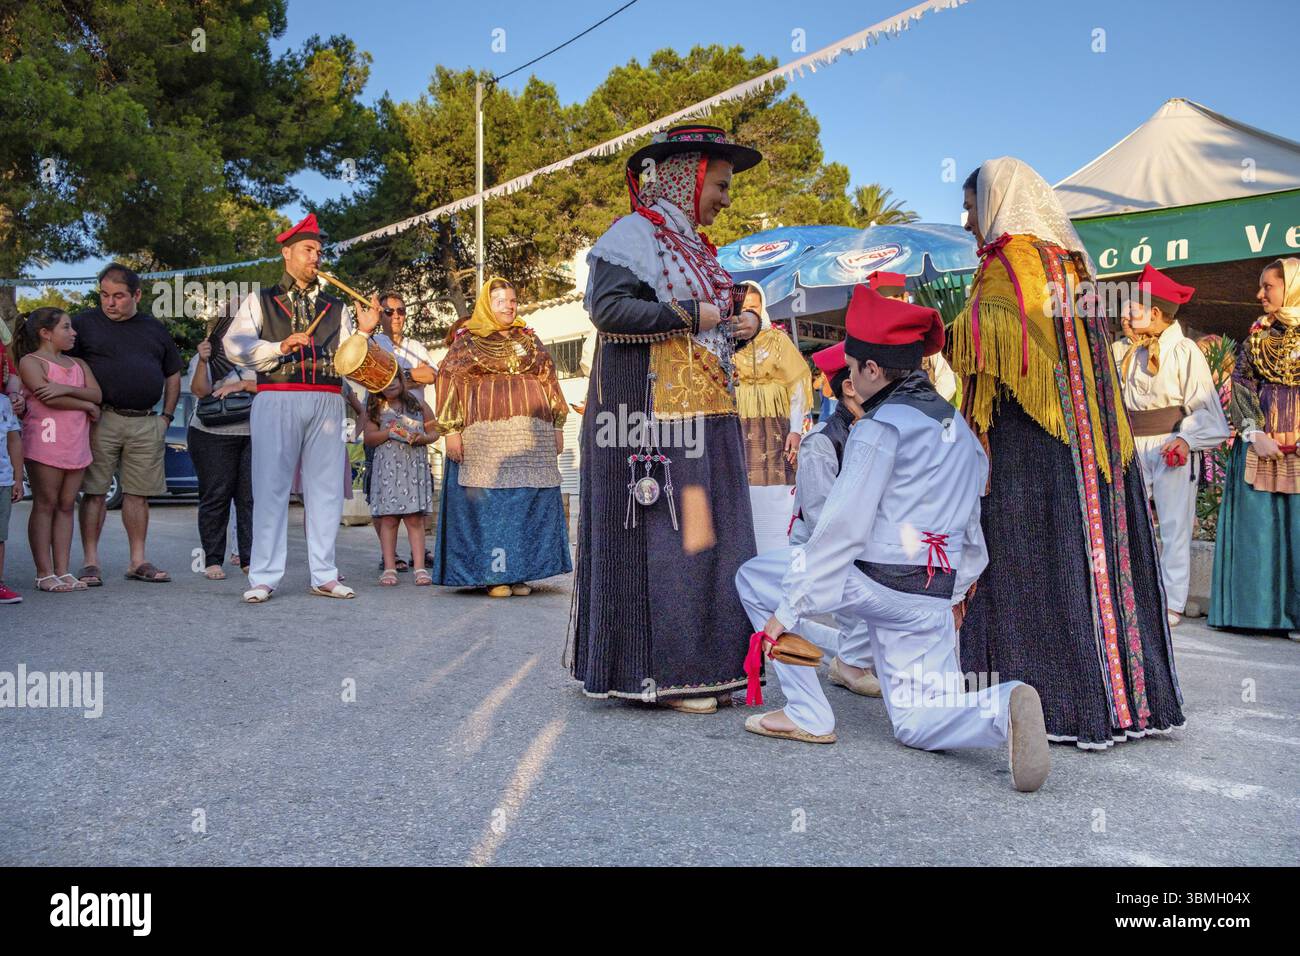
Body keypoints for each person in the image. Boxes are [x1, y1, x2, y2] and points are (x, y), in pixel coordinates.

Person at [735, 286, 1051, 792]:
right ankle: (1001, 705)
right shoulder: (962, 434)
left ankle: (808, 713)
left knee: (754, 576)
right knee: (917, 721)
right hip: (929, 596)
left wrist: (785, 613)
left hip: (874, 584)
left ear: (874, 370)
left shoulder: (881, 427)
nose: (851, 380)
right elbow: (972, 535)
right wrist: (954, 593)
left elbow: (841, 529)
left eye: (855, 367)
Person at [948, 157, 1184, 749]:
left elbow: (980, 340)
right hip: (1098, 450)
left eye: (972, 204)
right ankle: (1123, 701)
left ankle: (1043, 700)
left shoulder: (1009, 262)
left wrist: (938, 329)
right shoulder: (1072, 265)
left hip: (1032, 448)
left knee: (1029, 565)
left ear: (996, 199)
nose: (969, 218)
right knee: (1089, 566)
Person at [569, 124, 763, 714]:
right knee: (677, 541)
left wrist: (742, 325)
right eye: (722, 185)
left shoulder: (695, 246)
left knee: (713, 541)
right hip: (653, 419)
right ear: (690, 177)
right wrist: (692, 312)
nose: (728, 199)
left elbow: (710, 325)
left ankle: (712, 668)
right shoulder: (634, 234)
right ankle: (666, 674)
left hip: (708, 414)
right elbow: (610, 310)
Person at [224, 213, 381, 603]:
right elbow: (235, 346)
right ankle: (262, 576)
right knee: (270, 487)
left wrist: (364, 331)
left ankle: (324, 574)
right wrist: (278, 347)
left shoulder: (337, 306)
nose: (316, 257)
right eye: (309, 250)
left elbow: (350, 362)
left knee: (325, 490)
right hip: (277, 395)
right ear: (287, 253)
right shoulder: (260, 300)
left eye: (319, 251)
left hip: (327, 399)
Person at [432, 277, 570, 597]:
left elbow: (549, 379)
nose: (509, 305)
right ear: (486, 305)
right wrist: (451, 431)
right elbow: (449, 381)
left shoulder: (531, 340)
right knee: (495, 508)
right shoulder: (466, 342)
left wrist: (558, 425)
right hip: (485, 441)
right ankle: (495, 576)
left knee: (526, 504)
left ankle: (521, 574)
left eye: (512, 299)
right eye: (501, 301)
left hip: (529, 438)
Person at [1113, 265, 1229, 627]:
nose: (1128, 312)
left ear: (1157, 313)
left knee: (1175, 524)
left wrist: (1185, 438)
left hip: (1170, 444)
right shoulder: (1126, 351)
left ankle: (1173, 601)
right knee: (1127, 521)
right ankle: (1129, 595)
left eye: (1135, 306)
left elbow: (1207, 409)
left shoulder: (1184, 351)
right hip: (1132, 446)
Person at [71, 264, 183, 586]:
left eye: (118, 296)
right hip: (101, 419)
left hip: (146, 422)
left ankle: (138, 560)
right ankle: (91, 562)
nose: (110, 303)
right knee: (94, 492)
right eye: (104, 295)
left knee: (138, 494)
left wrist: (167, 417)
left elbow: (172, 373)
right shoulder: (83, 324)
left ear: (136, 295)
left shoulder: (154, 328)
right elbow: (63, 363)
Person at [786, 339, 880, 698]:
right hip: (823, 549)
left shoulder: (876, 432)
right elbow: (822, 520)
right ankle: (846, 661)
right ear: (850, 386)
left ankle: (846, 657)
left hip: (855, 545)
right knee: (884, 597)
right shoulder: (821, 443)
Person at [1211, 257, 1300, 632]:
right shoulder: (1258, 336)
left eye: (1269, 286)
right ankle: (1259, 614)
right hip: (1261, 444)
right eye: (1261, 286)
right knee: (1259, 530)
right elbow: (1244, 385)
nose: (1259, 293)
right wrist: (1254, 432)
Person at [15, 309, 99, 593]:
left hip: (75, 442)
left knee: (66, 505)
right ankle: (44, 572)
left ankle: (62, 570)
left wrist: (63, 388)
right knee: (45, 503)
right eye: (66, 327)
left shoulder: (78, 364)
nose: (73, 332)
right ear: (45, 333)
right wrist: (85, 405)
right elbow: (44, 396)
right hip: (45, 441)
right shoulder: (31, 362)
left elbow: (97, 394)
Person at [734, 280, 810, 553]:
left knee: (777, 492)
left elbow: (798, 384)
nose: (747, 314)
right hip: (738, 427)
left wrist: (796, 430)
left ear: (762, 308)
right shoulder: (726, 342)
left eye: (753, 308)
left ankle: (778, 550)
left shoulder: (778, 341)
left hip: (775, 430)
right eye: (742, 308)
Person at [363, 291, 436, 572]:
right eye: (389, 311)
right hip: (382, 421)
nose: (396, 316)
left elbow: (431, 374)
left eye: (401, 310)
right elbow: (370, 375)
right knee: (380, 495)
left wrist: (394, 374)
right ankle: (390, 557)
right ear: (378, 314)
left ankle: (419, 554)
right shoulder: (372, 342)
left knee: (416, 499)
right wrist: (409, 374)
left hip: (414, 428)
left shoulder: (416, 345)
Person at [188, 311, 258, 580]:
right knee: (215, 496)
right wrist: (204, 362)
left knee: (249, 499)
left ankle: (249, 558)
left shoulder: (257, 354)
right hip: (210, 434)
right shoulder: (206, 356)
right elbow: (200, 391)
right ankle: (213, 560)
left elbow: (270, 388)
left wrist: (241, 384)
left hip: (251, 433)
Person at [362, 374, 437, 586]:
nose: (391, 385)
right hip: (388, 470)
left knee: (414, 518)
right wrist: (390, 431)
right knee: (389, 519)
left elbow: (434, 431)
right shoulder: (375, 409)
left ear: (403, 382)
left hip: (412, 468)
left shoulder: (418, 404)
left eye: (395, 380)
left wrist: (422, 438)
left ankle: (420, 568)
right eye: (384, 382)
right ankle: (389, 567)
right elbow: (369, 438)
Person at [867, 270, 960, 403]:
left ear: (905, 298)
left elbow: (947, 381)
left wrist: (926, 408)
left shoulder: (925, 333)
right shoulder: (868, 343)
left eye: (892, 303)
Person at [0, 389, 22, 604]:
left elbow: (14, 440)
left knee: (0, 535)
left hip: (2, 479)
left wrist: (17, 478)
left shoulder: (5, 403)